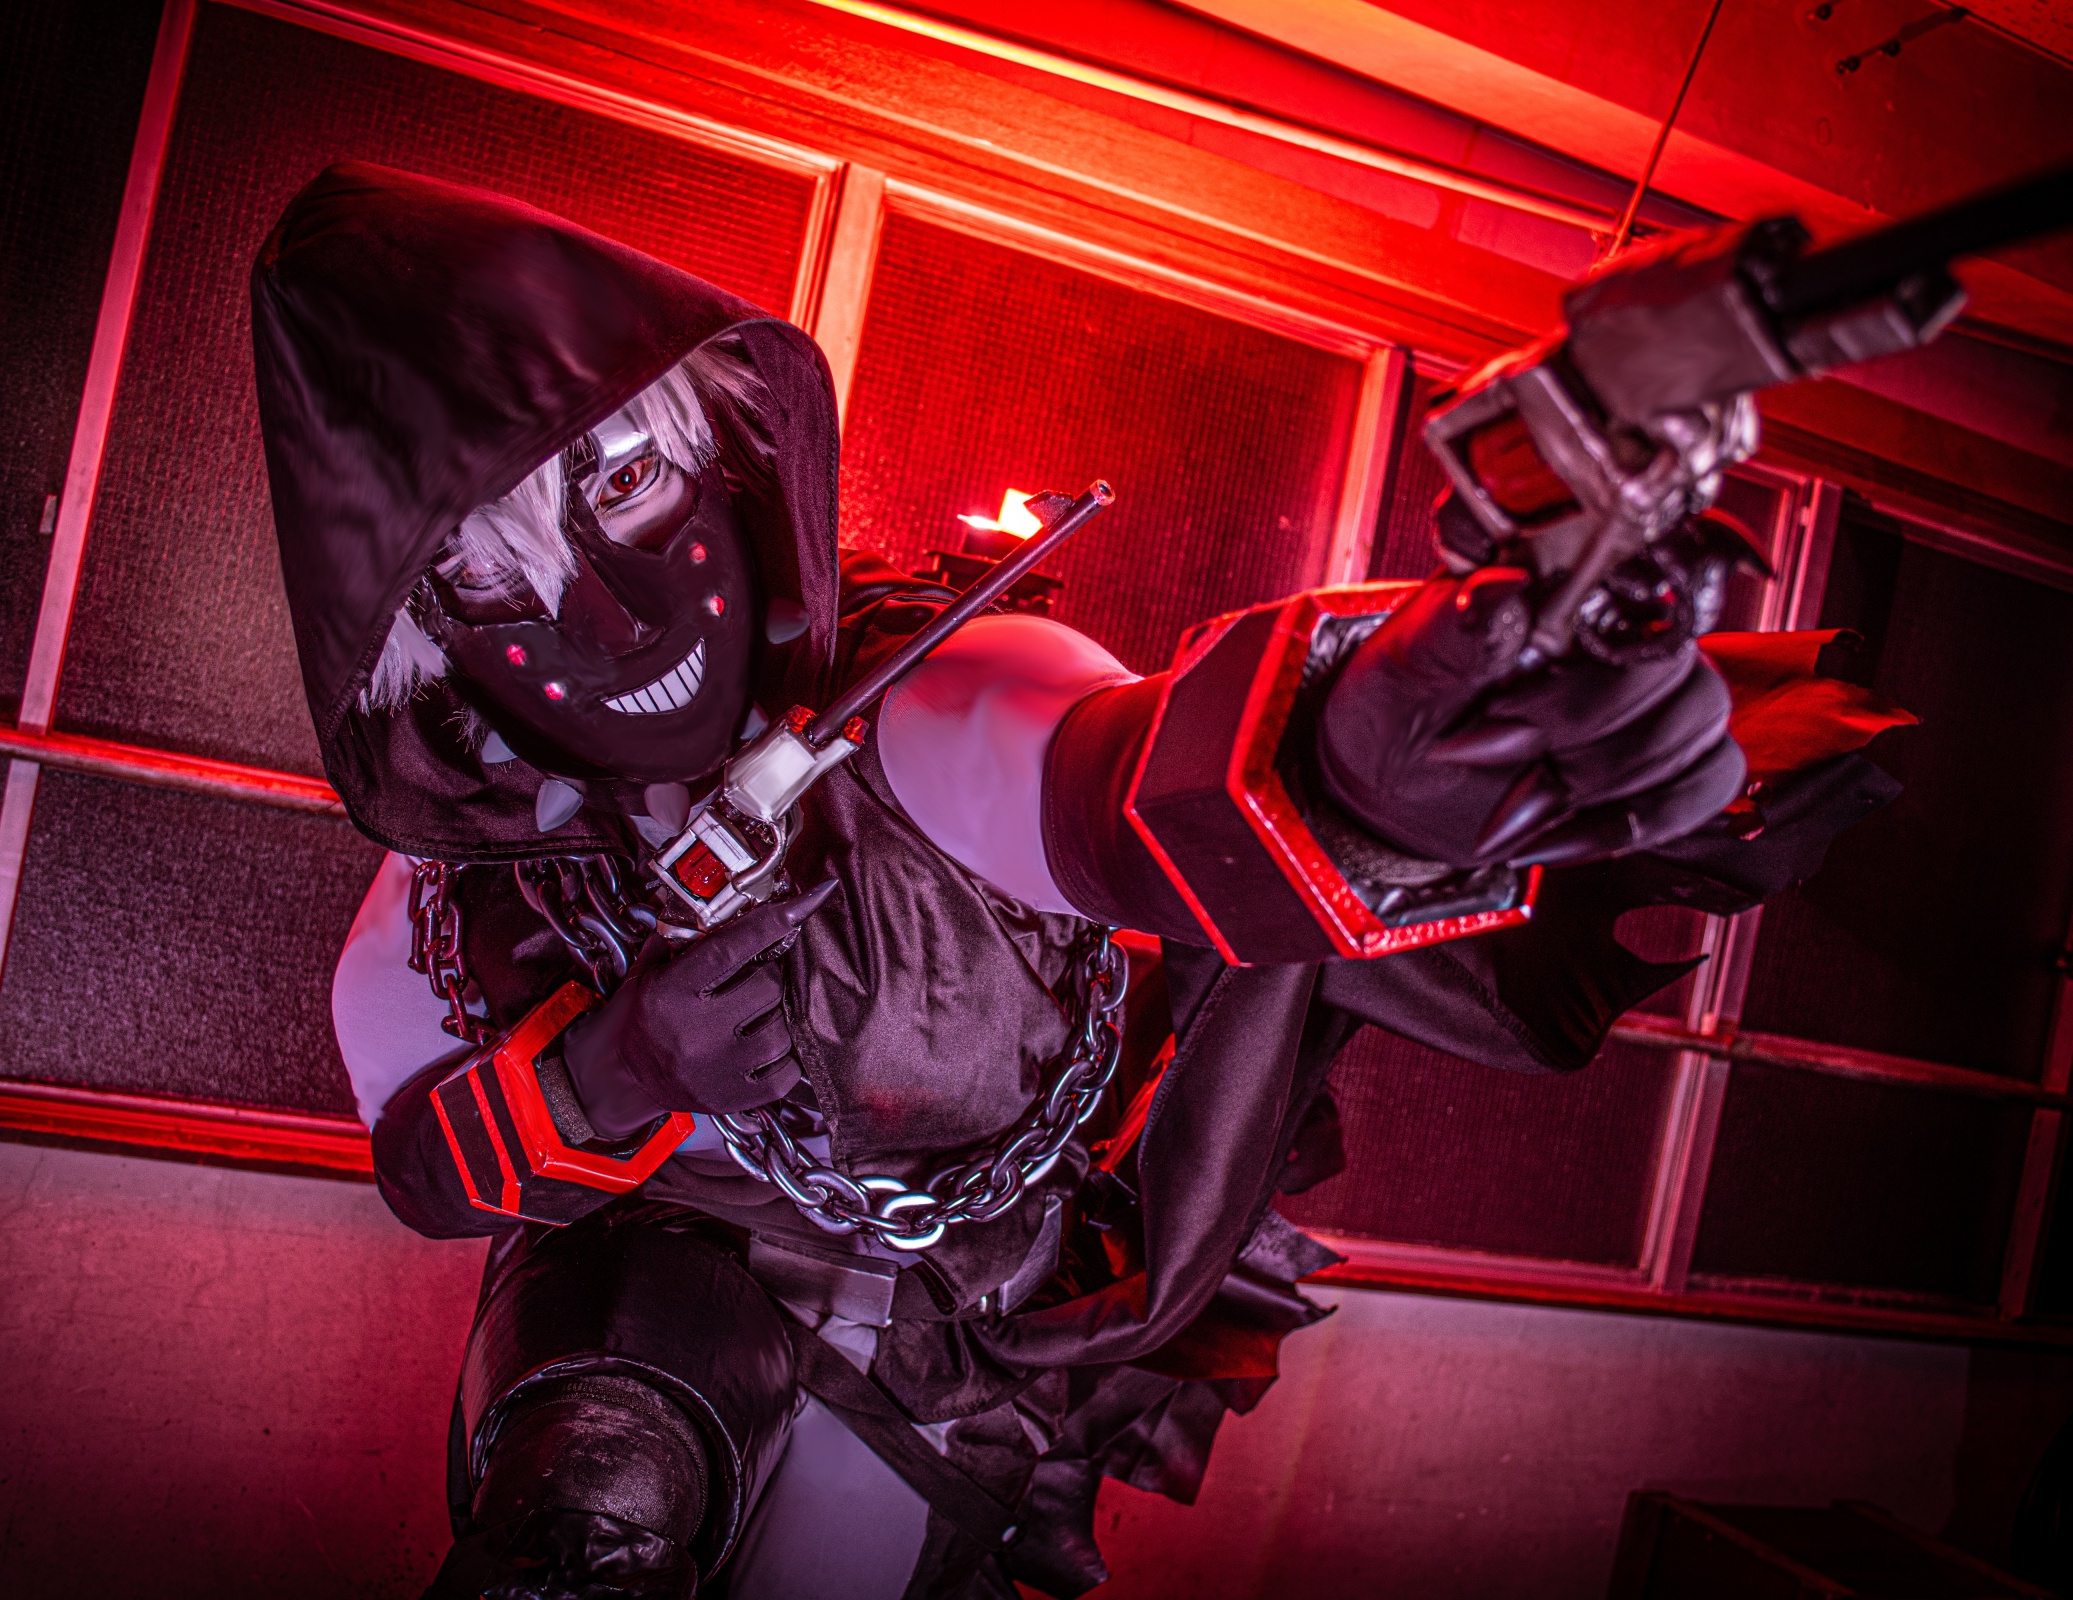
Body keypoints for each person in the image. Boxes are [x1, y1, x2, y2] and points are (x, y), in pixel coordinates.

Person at [253, 162, 1905, 1600]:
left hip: (974, 1361)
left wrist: (1396, 735)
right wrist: (610, 1073)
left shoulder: (928, 697)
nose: (609, 618)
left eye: (625, 485)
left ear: (716, 451)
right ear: (420, 633)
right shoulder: (465, 868)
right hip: (640, 1341)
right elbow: (421, 1166)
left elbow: (1134, 785)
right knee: (585, 1518)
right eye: (497, 576)